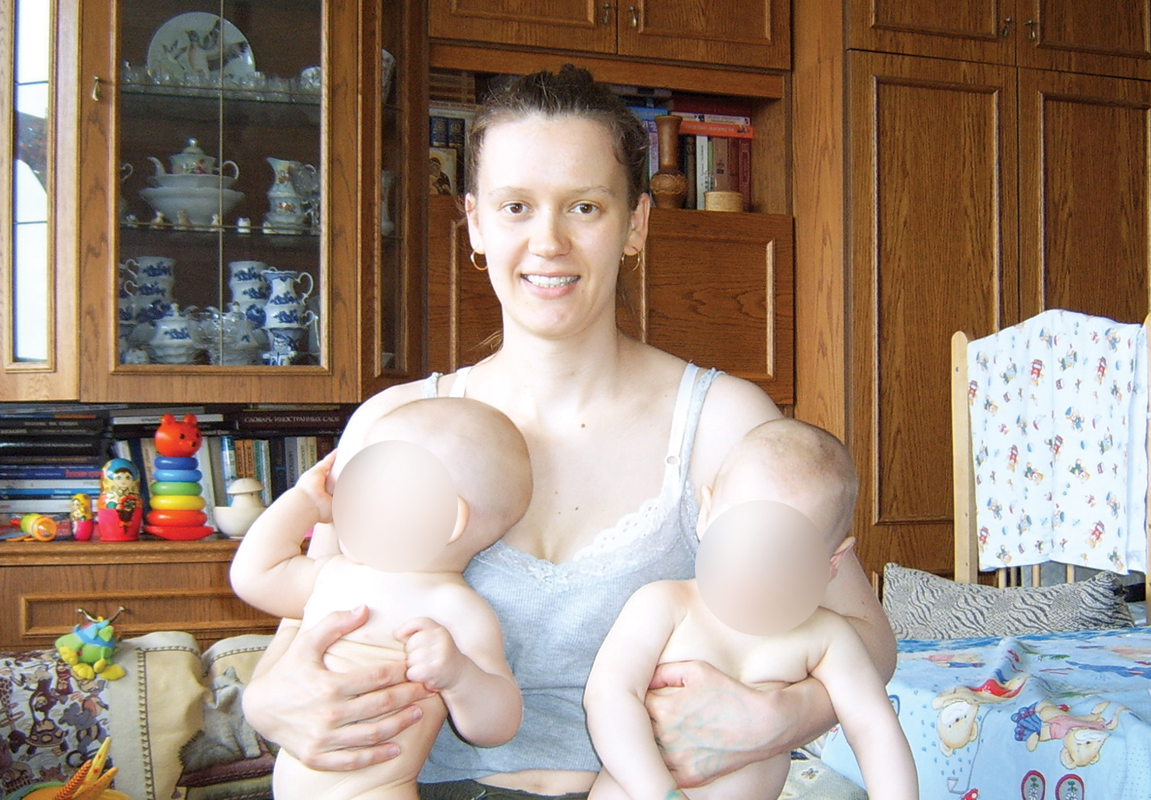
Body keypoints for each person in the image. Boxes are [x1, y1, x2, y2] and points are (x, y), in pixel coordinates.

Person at [241, 64, 897, 798]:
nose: (548, 241)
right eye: (516, 206)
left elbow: (866, 638)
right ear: (475, 223)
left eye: (584, 207)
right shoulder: (391, 426)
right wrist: (267, 701)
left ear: (634, 225)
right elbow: (304, 632)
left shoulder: (725, 421)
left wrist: (782, 716)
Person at [584, 419, 918, 800]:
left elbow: (874, 729)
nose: (753, 568)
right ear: (706, 515)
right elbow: (608, 697)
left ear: (831, 562)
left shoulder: (826, 638)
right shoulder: (665, 605)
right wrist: (661, 794)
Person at [230, 397, 533, 800]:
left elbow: (498, 726)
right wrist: (303, 502)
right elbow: (253, 577)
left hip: (377, 789)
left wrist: (460, 676)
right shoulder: (334, 573)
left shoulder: (455, 608)